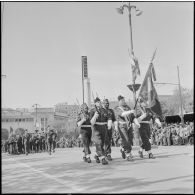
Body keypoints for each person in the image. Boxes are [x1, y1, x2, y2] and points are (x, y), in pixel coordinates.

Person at [115, 95, 140, 161]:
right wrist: (130, 111)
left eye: (124, 100)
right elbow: (122, 114)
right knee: (126, 139)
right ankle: (128, 154)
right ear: (119, 101)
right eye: (122, 100)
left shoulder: (128, 107)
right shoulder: (117, 108)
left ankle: (123, 149)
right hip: (122, 126)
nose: (124, 101)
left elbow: (133, 117)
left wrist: (137, 123)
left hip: (129, 126)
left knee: (130, 140)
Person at [90, 97, 111, 165]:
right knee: (98, 143)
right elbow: (91, 122)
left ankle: (96, 155)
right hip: (96, 129)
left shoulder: (104, 110)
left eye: (100, 102)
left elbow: (108, 117)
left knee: (102, 144)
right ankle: (103, 158)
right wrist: (95, 116)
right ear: (95, 103)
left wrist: (109, 123)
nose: (99, 103)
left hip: (103, 128)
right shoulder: (92, 111)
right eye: (98, 102)